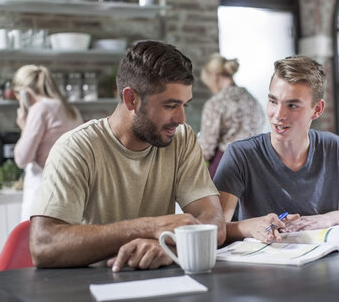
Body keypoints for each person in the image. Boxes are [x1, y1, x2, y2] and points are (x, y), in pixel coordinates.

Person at [29, 40, 226, 271]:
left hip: (162, 285)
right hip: (92, 286)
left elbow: (215, 223)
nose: (181, 118)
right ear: (131, 99)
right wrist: (149, 227)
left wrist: (169, 245)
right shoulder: (76, 148)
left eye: (185, 105)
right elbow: (43, 246)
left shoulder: (181, 139)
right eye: (170, 105)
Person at [214, 55, 339, 243]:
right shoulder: (240, 155)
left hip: (322, 260)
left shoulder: (333, 148)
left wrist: (328, 219)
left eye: (292, 105)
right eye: (273, 101)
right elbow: (217, 229)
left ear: (317, 109)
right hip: (265, 264)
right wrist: (253, 226)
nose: (278, 115)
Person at [12, 65, 83, 222]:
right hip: (71, 191)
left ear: (24, 92)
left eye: (17, 95)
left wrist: (24, 126)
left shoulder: (40, 109)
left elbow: (21, 159)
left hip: (43, 194)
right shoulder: (71, 109)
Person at [198, 54, 265, 178]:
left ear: (214, 76)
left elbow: (205, 149)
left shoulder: (216, 103)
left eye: (208, 83)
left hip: (224, 168)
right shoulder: (252, 100)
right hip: (254, 168)